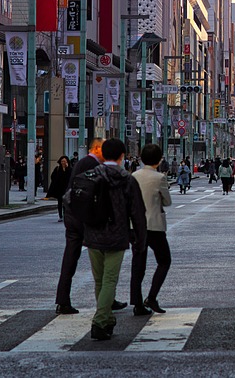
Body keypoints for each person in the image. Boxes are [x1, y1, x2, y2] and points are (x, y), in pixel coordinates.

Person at [83, 138, 147, 341]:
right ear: (121, 156)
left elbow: (71, 199)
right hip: (116, 235)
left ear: (102, 154)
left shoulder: (91, 174)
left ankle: (108, 318)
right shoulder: (126, 179)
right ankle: (100, 321)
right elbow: (137, 212)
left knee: (99, 280)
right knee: (110, 279)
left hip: (92, 233)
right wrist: (140, 238)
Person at [55, 138, 109, 315]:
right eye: (104, 149)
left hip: (72, 214)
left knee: (71, 256)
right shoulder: (89, 163)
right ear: (97, 148)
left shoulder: (84, 162)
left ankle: (63, 300)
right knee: (101, 255)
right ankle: (106, 298)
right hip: (82, 216)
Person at [131, 143, 172, 316]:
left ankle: (137, 303)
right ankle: (152, 297)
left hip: (135, 226)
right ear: (159, 159)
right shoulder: (159, 178)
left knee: (138, 264)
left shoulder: (133, 175)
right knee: (164, 261)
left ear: (141, 158)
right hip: (154, 225)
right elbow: (167, 201)